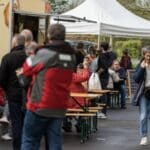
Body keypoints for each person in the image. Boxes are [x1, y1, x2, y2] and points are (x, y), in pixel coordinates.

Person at [20, 24, 76, 150]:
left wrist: (33, 54)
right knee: (54, 142)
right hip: (59, 106)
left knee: (30, 140)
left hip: (40, 105)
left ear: (49, 35)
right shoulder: (71, 56)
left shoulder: (45, 52)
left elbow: (26, 68)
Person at [0, 34, 27, 150]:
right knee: (26, 125)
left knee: (16, 124)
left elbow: (1, 79)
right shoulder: (29, 58)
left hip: (13, 97)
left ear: (15, 43)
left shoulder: (7, 57)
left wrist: (8, 90)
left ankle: (17, 148)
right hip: (28, 97)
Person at [133, 46, 150, 145]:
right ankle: (144, 136)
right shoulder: (141, 65)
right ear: (144, 55)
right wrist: (142, 69)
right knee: (143, 115)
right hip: (144, 92)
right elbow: (135, 79)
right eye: (147, 55)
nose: (149, 57)